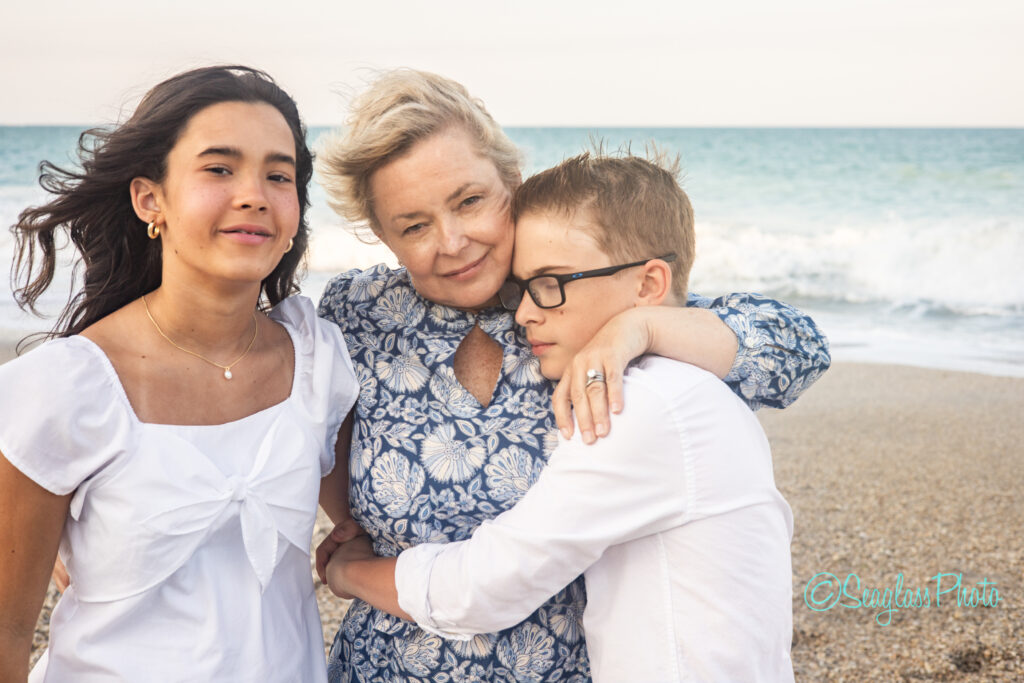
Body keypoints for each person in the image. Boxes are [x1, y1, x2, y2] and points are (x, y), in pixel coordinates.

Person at [315, 69, 827, 681]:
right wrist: (347, 528)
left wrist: (637, 328)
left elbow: (797, 350)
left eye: (469, 201)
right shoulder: (358, 315)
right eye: (414, 225)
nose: (451, 242)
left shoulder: (578, 303)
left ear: (512, 186)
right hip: (391, 662)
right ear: (382, 236)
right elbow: (314, 440)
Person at [0, 66, 357, 682]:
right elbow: (6, 628)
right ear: (149, 199)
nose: (255, 194)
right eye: (219, 169)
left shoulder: (318, 361)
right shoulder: (66, 387)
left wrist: (586, 332)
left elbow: (377, 519)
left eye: (279, 175)